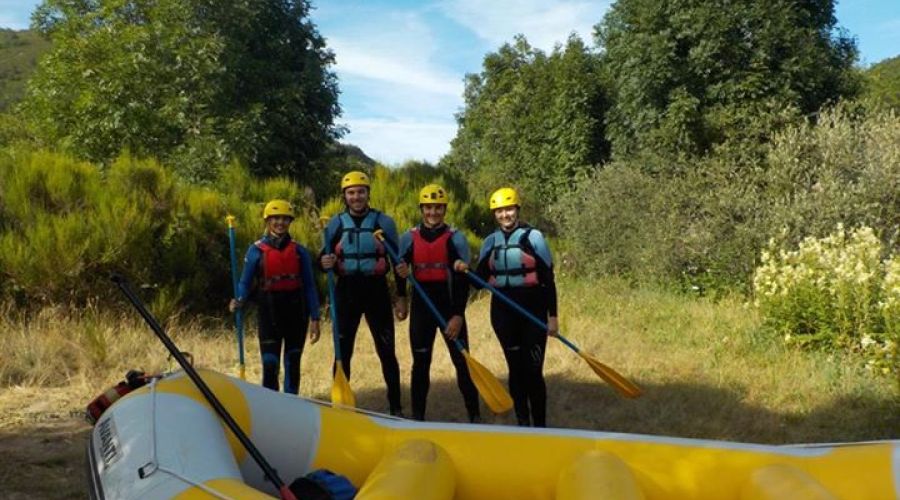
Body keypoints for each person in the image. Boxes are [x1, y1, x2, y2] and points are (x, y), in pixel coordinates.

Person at [456, 187, 558, 427]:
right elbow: (479, 280)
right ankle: (523, 422)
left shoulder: (534, 238)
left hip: (532, 311)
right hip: (503, 313)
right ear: (495, 214)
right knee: (515, 369)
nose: (505, 215)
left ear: (517, 209)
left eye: (509, 209)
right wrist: (464, 270)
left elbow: (547, 279)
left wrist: (552, 316)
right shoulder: (490, 242)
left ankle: (540, 425)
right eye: (500, 211)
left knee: (533, 371)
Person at [320, 171, 407, 416]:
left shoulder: (384, 222)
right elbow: (322, 257)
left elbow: (397, 262)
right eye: (351, 193)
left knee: (386, 350)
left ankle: (396, 408)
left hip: (376, 290)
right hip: (346, 291)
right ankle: (340, 407)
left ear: (368, 193)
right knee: (342, 350)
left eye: (361, 192)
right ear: (345, 196)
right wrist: (323, 261)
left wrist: (401, 296)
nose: (356, 197)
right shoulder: (335, 223)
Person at [394, 184, 481, 423]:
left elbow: (463, 281)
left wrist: (457, 315)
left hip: (449, 305)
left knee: (462, 362)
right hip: (422, 307)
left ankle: (474, 416)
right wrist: (401, 298)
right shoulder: (408, 238)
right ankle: (418, 417)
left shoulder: (456, 238)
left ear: (445, 209)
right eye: (429, 207)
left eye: (438, 208)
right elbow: (400, 271)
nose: (433, 212)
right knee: (420, 363)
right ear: (422, 209)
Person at [229, 199, 321, 394]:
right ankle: (271, 406)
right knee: (270, 366)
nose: (280, 223)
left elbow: (310, 286)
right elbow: (244, 282)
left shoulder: (300, 252)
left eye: (285, 219)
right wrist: (238, 298)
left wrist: (315, 317)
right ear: (267, 221)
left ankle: (291, 404)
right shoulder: (255, 251)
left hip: (296, 313)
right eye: (275, 218)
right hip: (269, 313)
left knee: (293, 363)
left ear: (290, 222)